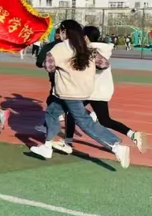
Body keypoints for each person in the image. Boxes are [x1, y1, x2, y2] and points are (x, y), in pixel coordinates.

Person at [29, 20, 131, 168]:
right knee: (52, 112)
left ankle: (116, 146)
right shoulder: (86, 47)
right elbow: (104, 64)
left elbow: (49, 67)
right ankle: (47, 146)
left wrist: (61, 66)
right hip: (83, 90)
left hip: (68, 91)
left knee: (84, 121)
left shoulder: (60, 47)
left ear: (64, 31)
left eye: (61, 31)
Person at [84, 26, 147, 153]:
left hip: (95, 91)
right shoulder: (102, 49)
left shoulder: (91, 51)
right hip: (97, 89)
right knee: (103, 120)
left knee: (72, 109)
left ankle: (67, 141)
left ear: (85, 37)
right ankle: (132, 134)